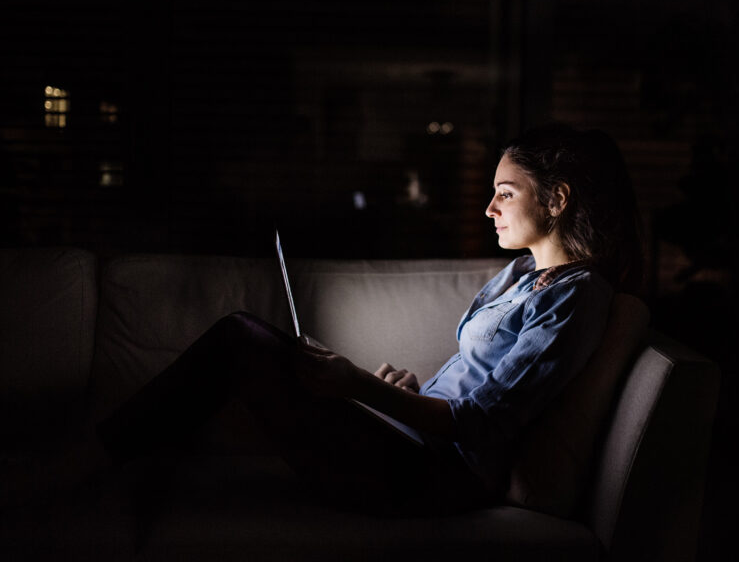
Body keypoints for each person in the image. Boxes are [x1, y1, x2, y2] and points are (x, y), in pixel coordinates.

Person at [22, 124, 643, 516]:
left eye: (506, 191)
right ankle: (107, 461)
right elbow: (469, 385)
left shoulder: (576, 297)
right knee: (262, 349)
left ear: (557, 199)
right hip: (417, 446)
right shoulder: (518, 275)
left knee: (243, 339)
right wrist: (405, 395)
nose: (488, 207)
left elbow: (482, 422)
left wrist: (358, 387)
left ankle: (84, 463)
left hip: (438, 480)